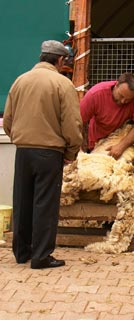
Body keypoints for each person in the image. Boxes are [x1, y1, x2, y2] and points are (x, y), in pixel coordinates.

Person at [3, 40, 83, 269]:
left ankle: (21, 253)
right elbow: (72, 123)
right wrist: (71, 151)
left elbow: (8, 119)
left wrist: (20, 138)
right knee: (45, 204)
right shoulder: (62, 84)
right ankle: (41, 256)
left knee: (22, 201)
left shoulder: (20, 80)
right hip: (49, 152)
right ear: (59, 60)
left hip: (23, 150)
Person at [80, 72, 134, 184]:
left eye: (128, 99)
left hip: (123, 135)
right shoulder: (95, 94)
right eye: (121, 96)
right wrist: (79, 148)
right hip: (100, 139)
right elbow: (79, 122)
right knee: (99, 172)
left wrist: (121, 146)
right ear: (116, 85)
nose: (123, 101)